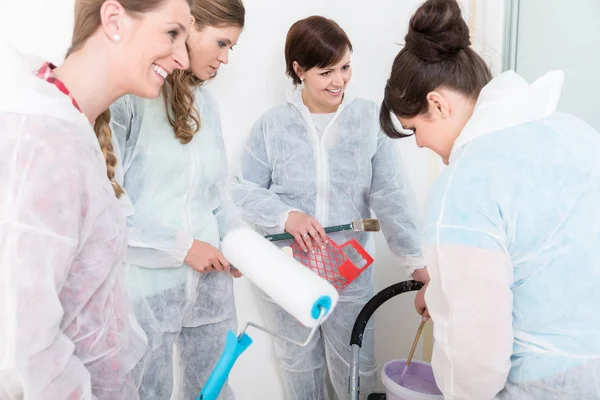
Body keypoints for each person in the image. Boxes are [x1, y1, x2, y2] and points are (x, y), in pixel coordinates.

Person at [380, 0, 600, 398]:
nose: (421, 143)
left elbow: (477, 367)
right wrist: (444, 295)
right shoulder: (577, 135)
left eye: (414, 129)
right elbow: (546, 265)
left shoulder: (463, 187)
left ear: (438, 104)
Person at [0, 0, 192, 399]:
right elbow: (21, 349)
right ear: (114, 19)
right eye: (173, 33)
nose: (183, 59)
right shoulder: (48, 142)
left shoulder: (72, 126)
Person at [231, 15, 425, 400]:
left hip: (348, 276)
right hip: (286, 274)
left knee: (357, 369)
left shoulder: (369, 119)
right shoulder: (273, 125)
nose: (339, 81)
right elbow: (241, 189)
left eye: (346, 67)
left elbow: (392, 196)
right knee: (299, 368)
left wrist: (416, 262)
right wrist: (287, 215)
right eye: (326, 72)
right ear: (299, 70)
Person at [108, 0, 245, 398]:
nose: (224, 58)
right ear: (188, 26)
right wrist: (184, 248)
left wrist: (237, 242)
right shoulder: (131, 100)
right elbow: (110, 209)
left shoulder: (208, 106)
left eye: (230, 48)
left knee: (214, 388)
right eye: (221, 43)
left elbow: (218, 195)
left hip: (210, 286)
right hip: (146, 290)